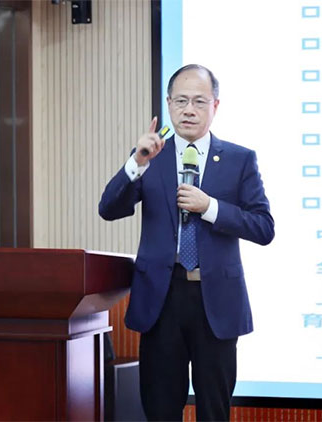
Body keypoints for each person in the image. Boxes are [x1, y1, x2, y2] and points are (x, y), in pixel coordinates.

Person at [99, 64, 274, 421]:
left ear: (215, 106)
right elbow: (109, 209)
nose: (189, 110)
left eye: (198, 101)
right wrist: (136, 162)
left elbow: (263, 227)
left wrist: (210, 207)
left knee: (214, 409)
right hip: (161, 300)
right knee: (160, 408)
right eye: (180, 101)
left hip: (216, 302)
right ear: (168, 104)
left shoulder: (239, 159)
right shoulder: (151, 157)